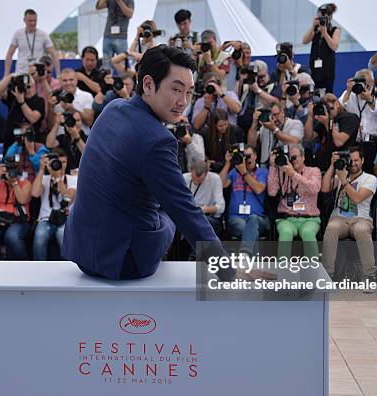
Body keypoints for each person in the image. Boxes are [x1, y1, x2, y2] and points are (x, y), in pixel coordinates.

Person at [62, 45, 234, 281]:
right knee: (170, 213)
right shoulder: (158, 140)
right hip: (123, 263)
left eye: (189, 92)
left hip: (81, 252)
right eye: (176, 89)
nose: (183, 101)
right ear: (148, 84)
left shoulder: (112, 108)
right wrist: (227, 270)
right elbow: (184, 210)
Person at [321, 147, 377, 285]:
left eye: (356, 160)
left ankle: (369, 275)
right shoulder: (341, 175)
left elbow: (357, 198)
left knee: (361, 230)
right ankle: (327, 273)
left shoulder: (370, 178)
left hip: (361, 219)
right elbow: (324, 188)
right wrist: (332, 166)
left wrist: (343, 181)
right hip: (340, 218)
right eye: (350, 160)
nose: (353, 163)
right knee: (331, 228)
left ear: (362, 161)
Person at [267, 144, 321, 258]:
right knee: (285, 233)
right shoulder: (281, 173)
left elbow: (314, 188)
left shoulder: (314, 171)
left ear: (303, 157)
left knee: (308, 233)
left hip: (309, 219)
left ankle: (313, 272)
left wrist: (293, 174)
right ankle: (283, 272)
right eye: (289, 158)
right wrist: (272, 166)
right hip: (287, 218)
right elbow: (272, 192)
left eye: (294, 157)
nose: (292, 161)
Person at [220, 146, 268, 255]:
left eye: (249, 156)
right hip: (236, 218)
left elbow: (259, 189)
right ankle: (252, 262)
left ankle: (245, 254)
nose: (247, 159)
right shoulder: (234, 172)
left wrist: (244, 172)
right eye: (244, 157)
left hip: (257, 218)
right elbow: (220, 185)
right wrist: (228, 163)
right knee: (251, 233)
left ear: (255, 156)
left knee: (253, 220)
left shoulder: (262, 172)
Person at [0, 159, 32, 260]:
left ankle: (23, 263)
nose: (10, 173)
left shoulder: (25, 184)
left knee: (12, 237)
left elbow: (22, 200)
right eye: (8, 169)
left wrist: (15, 183)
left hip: (18, 219)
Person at [31, 150, 77, 260]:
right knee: (39, 238)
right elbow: (35, 193)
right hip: (46, 218)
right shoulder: (45, 179)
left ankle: (68, 270)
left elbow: (69, 199)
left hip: (66, 217)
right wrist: (42, 169)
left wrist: (58, 179)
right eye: (58, 162)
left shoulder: (72, 179)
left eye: (64, 162)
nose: (60, 165)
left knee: (63, 237)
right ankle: (39, 269)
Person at [304, 93, 359, 172]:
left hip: (340, 165)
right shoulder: (323, 120)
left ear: (337, 104)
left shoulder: (350, 118)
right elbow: (308, 137)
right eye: (325, 109)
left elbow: (339, 142)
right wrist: (310, 116)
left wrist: (328, 123)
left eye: (330, 108)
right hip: (323, 164)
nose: (328, 112)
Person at [0, 73, 44, 151]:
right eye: (24, 86)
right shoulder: (13, 97)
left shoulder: (39, 101)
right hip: (10, 140)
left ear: (34, 86)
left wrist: (21, 102)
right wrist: (12, 76)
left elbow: (33, 118)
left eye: (29, 86)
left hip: (30, 144)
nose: (27, 88)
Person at [4, 9, 60, 76]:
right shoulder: (18, 34)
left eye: (35, 21)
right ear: (24, 20)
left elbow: (53, 54)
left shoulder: (43, 35)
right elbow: (10, 54)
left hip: (37, 73)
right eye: (30, 21)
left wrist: (58, 75)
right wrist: (6, 74)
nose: (32, 23)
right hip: (21, 72)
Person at [247, 103, 304, 167]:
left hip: (288, 166)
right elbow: (251, 144)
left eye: (275, 115)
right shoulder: (265, 127)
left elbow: (294, 142)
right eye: (270, 115)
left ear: (283, 112)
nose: (273, 118)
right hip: (266, 167)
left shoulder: (295, 124)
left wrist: (274, 129)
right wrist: (254, 123)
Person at [302, 3, 340, 93]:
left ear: (330, 17)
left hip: (327, 69)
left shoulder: (334, 30)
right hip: (314, 69)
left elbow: (334, 46)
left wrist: (325, 32)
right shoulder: (315, 30)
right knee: (313, 93)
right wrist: (313, 26)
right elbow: (304, 41)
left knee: (327, 93)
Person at [183, 160, 224, 236]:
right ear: (191, 171)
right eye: (193, 178)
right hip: (187, 215)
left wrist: (203, 209)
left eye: (199, 180)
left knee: (199, 222)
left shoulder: (215, 179)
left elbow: (221, 207)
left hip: (207, 216)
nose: (196, 182)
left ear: (206, 174)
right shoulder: (184, 178)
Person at [200, 109, 245, 173]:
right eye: (220, 126)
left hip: (231, 166)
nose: (224, 128)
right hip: (211, 167)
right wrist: (207, 160)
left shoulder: (236, 131)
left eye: (225, 124)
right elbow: (201, 150)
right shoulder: (205, 133)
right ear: (214, 125)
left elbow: (241, 149)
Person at [53, 69, 94, 134]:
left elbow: (89, 121)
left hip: (82, 137)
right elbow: (50, 124)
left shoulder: (86, 96)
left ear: (76, 80)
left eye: (71, 80)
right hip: (61, 138)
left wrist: (72, 109)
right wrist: (50, 106)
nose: (68, 83)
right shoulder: (55, 97)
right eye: (64, 80)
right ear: (60, 82)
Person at [97, 0, 135, 69]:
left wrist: (119, 1)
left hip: (121, 37)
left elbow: (130, 14)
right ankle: (107, 78)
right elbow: (99, 6)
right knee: (106, 62)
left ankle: (124, 79)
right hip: (107, 35)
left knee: (123, 63)